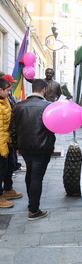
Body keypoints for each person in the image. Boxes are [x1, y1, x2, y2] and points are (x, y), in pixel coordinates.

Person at [11, 79, 56, 220]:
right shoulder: (48, 106)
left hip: (25, 147)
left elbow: (13, 129)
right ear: (44, 89)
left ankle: (32, 202)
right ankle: (34, 210)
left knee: (30, 172)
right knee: (36, 176)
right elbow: (53, 128)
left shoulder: (19, 106)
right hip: (42, 148)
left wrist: (16, 146)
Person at [0, 78, 23, 208]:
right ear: (0, 90)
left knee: (9, 167)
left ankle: (8, 189)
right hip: (1, 143)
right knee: (1, 170)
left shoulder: (5, 100)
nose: (9, 93)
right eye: (7, 90)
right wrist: (3, 150)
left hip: (7, 141)